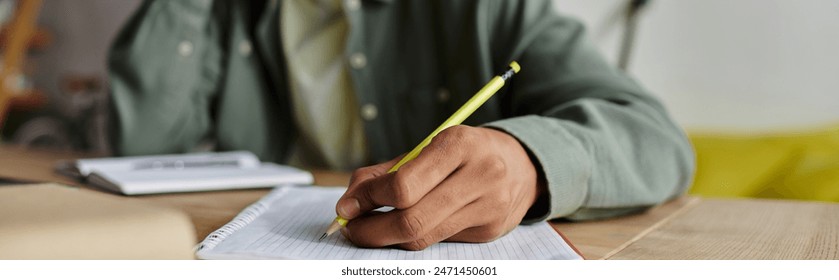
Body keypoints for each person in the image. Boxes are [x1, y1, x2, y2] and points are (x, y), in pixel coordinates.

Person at [108, 0, 695, 251]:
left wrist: (528, 162)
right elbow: (141, 151)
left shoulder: (488, 9)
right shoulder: (236, 12)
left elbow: (655, 139)